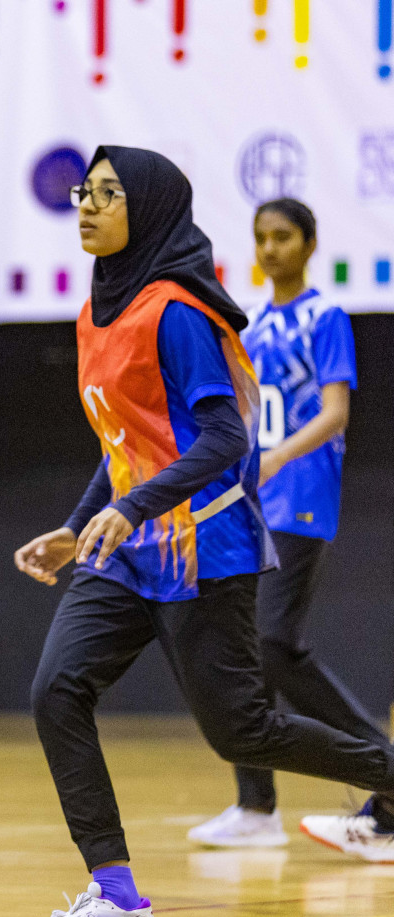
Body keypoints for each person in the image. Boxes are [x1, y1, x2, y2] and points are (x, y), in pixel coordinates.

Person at [10, 147, 394, 917]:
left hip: (203, 547)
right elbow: (125, 445)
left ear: (146, 209)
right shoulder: (96, 311)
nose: (86, 205)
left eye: (107, 194)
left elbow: (225, 436)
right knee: (55, 691)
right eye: (84, 191)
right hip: (126, 551)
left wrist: (132, 507)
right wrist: (83, 527)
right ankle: (115, 900)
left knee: (241, 732)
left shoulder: (178, 311)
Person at [187, 199, 386, 849]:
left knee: (274, 643)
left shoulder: (324, 316)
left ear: (310, 243)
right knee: (247, 650)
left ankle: (384, 774)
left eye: (283, 236)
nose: (271, 248)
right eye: (261, 238)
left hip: (300, 494)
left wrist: (277, 456)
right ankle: (256, 808)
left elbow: (335, 412)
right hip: (251, 502)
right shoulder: (254, 324)